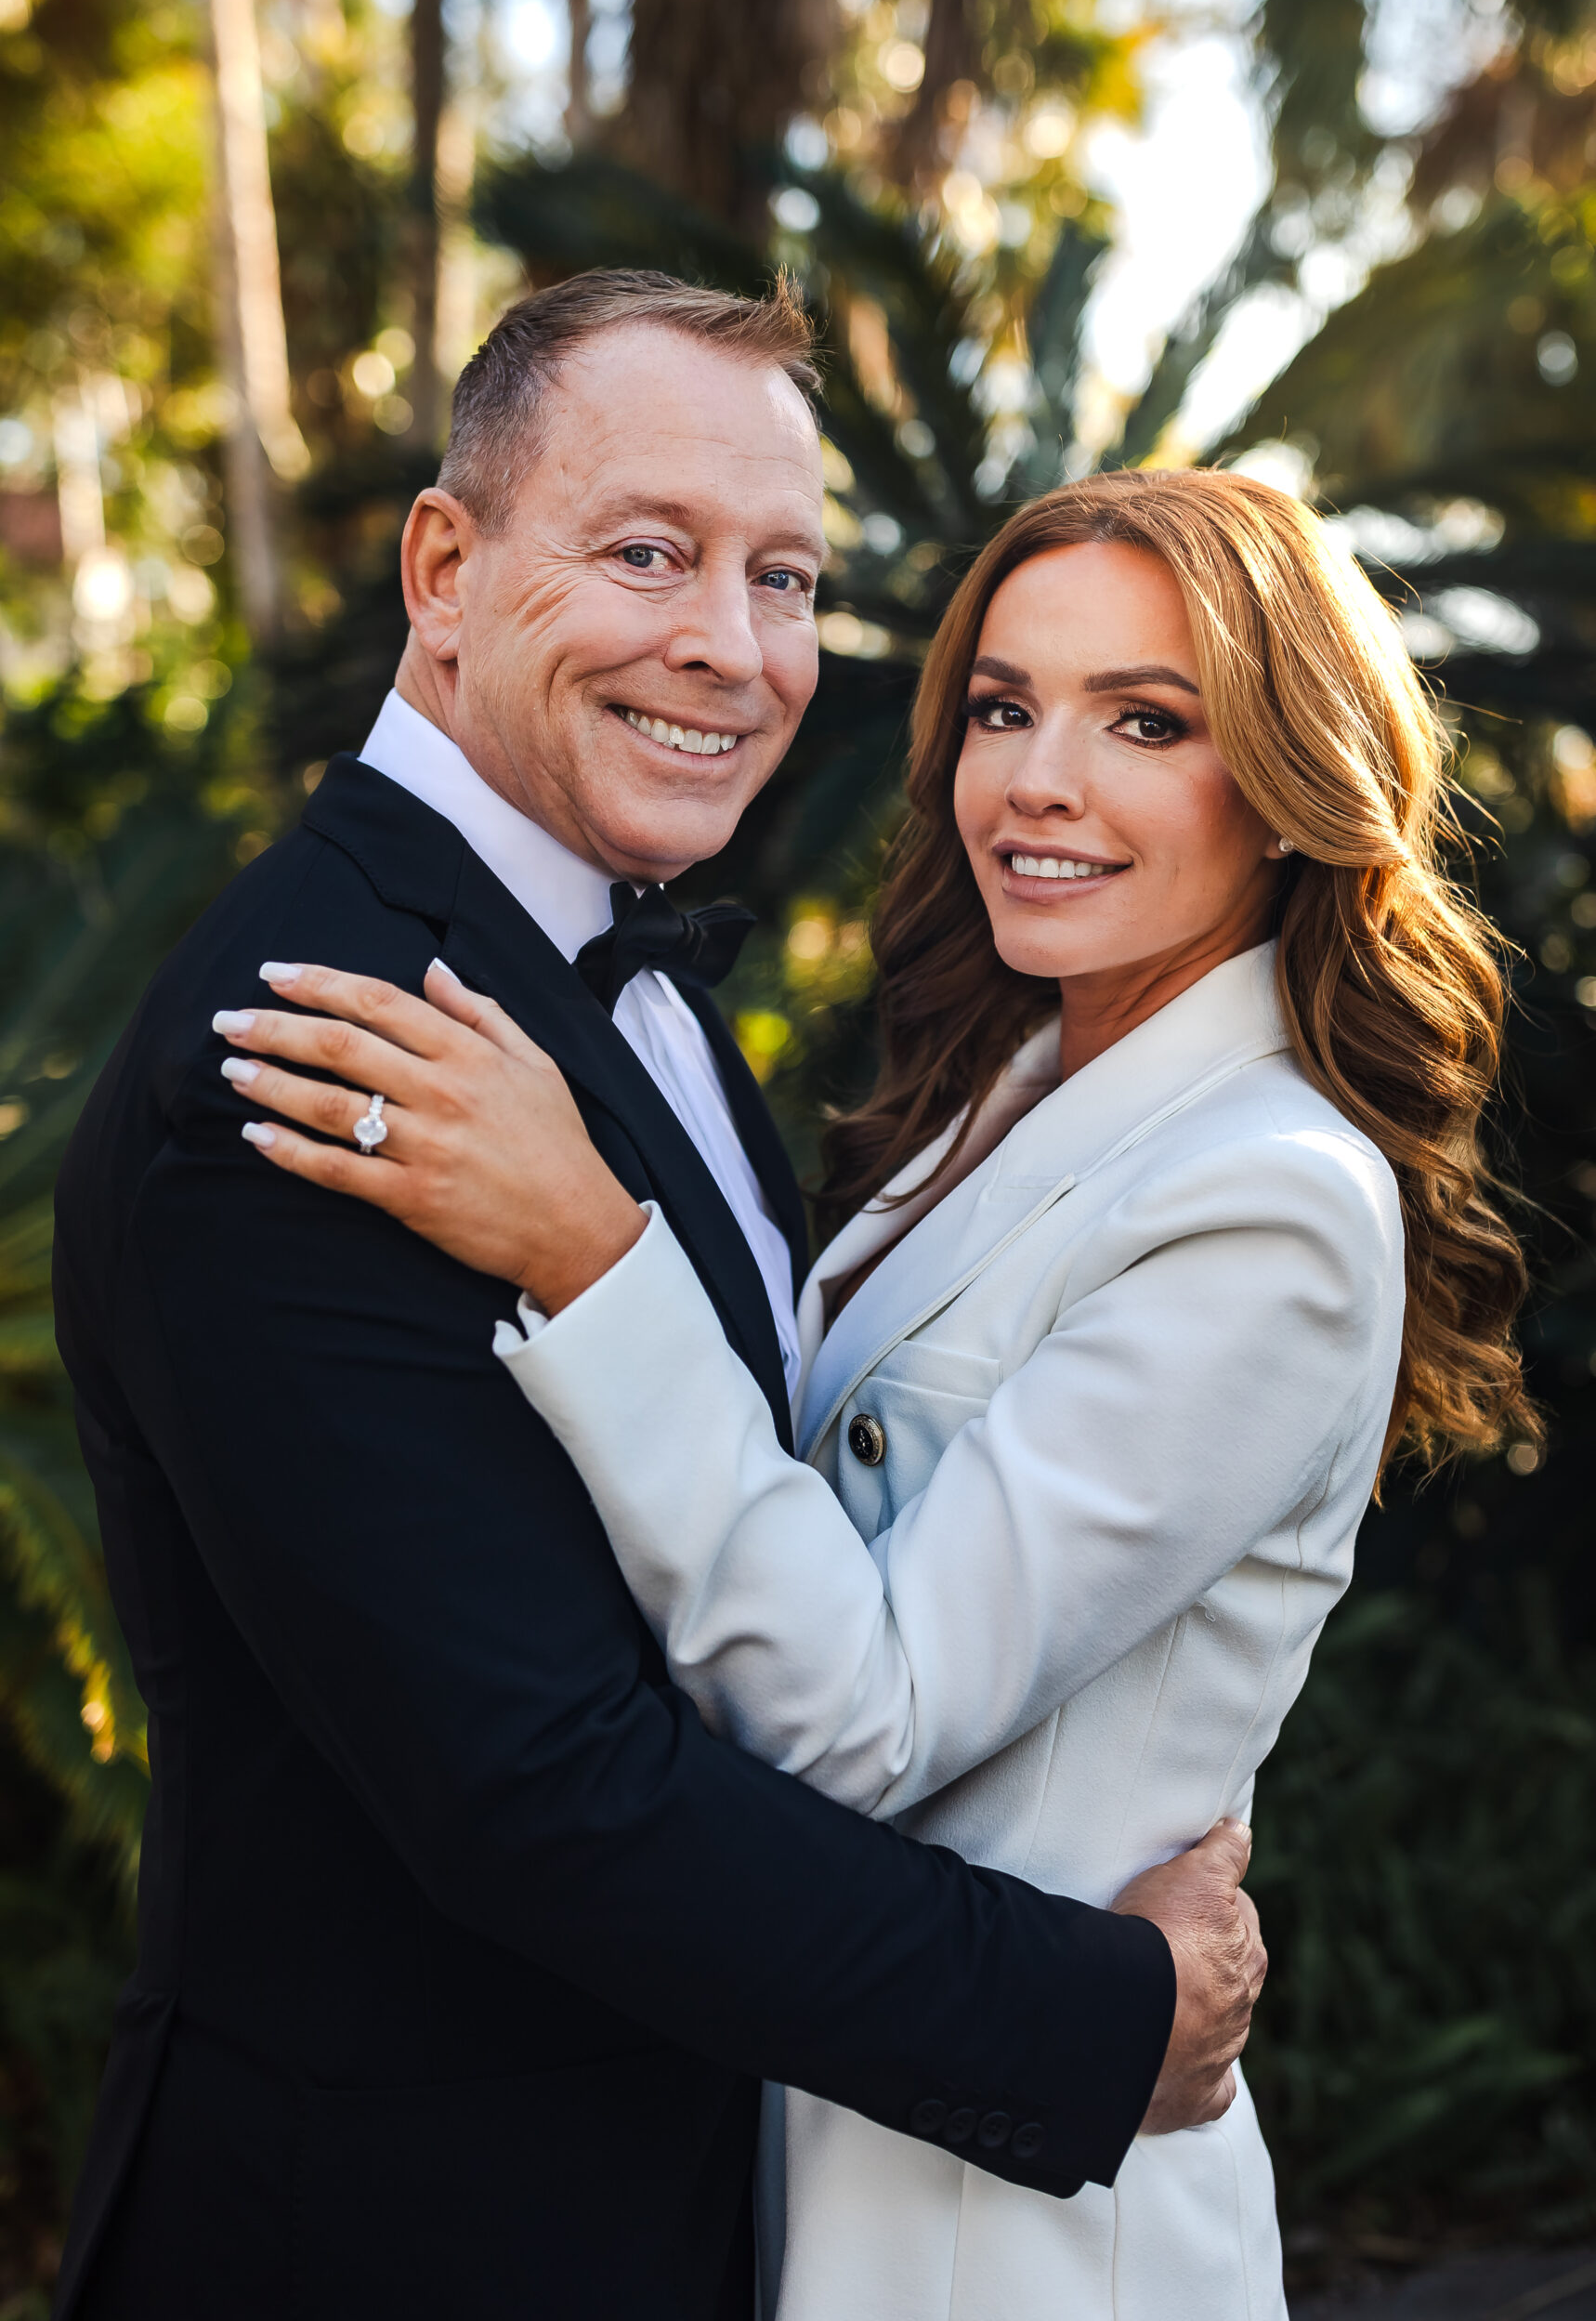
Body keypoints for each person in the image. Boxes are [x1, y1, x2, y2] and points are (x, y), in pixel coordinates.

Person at [50, 278, 1263, 2321]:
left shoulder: (608, 952)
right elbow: (543, 1788)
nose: (731, 645)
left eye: (780, 574)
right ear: (445, 567)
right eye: (645, 554)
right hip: (399, 2233)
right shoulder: (317, 1042)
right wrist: (1086, 2011)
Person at [222, 465, 1539, 2320]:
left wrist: (593, 1254)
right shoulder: (1002, 1090)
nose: (1037, 780)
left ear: (1284, 780)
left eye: (1143, 719)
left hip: (1008, 2234)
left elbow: (870, 1706)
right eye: (1003, 706)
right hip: (812, 2141)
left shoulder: (1272, 1198)